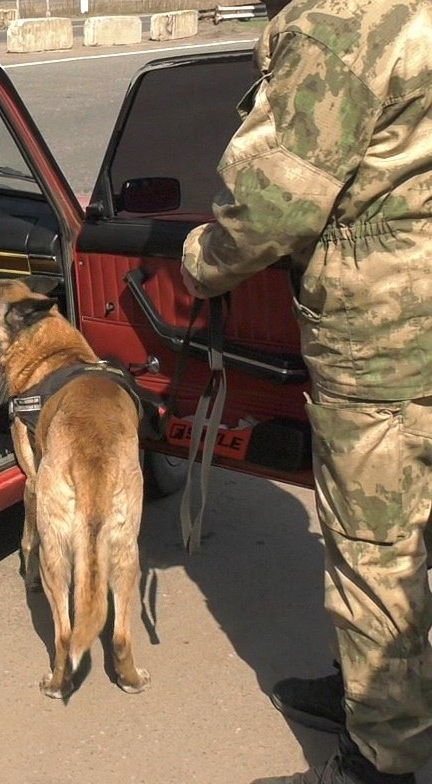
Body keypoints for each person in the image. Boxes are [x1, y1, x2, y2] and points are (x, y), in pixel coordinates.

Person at [178, 0, 432, 781]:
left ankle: (381, 758)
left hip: (386, 339)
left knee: (375, 549)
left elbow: (272, 207)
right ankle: (377, 693)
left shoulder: (338, 22)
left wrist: (196, 259)